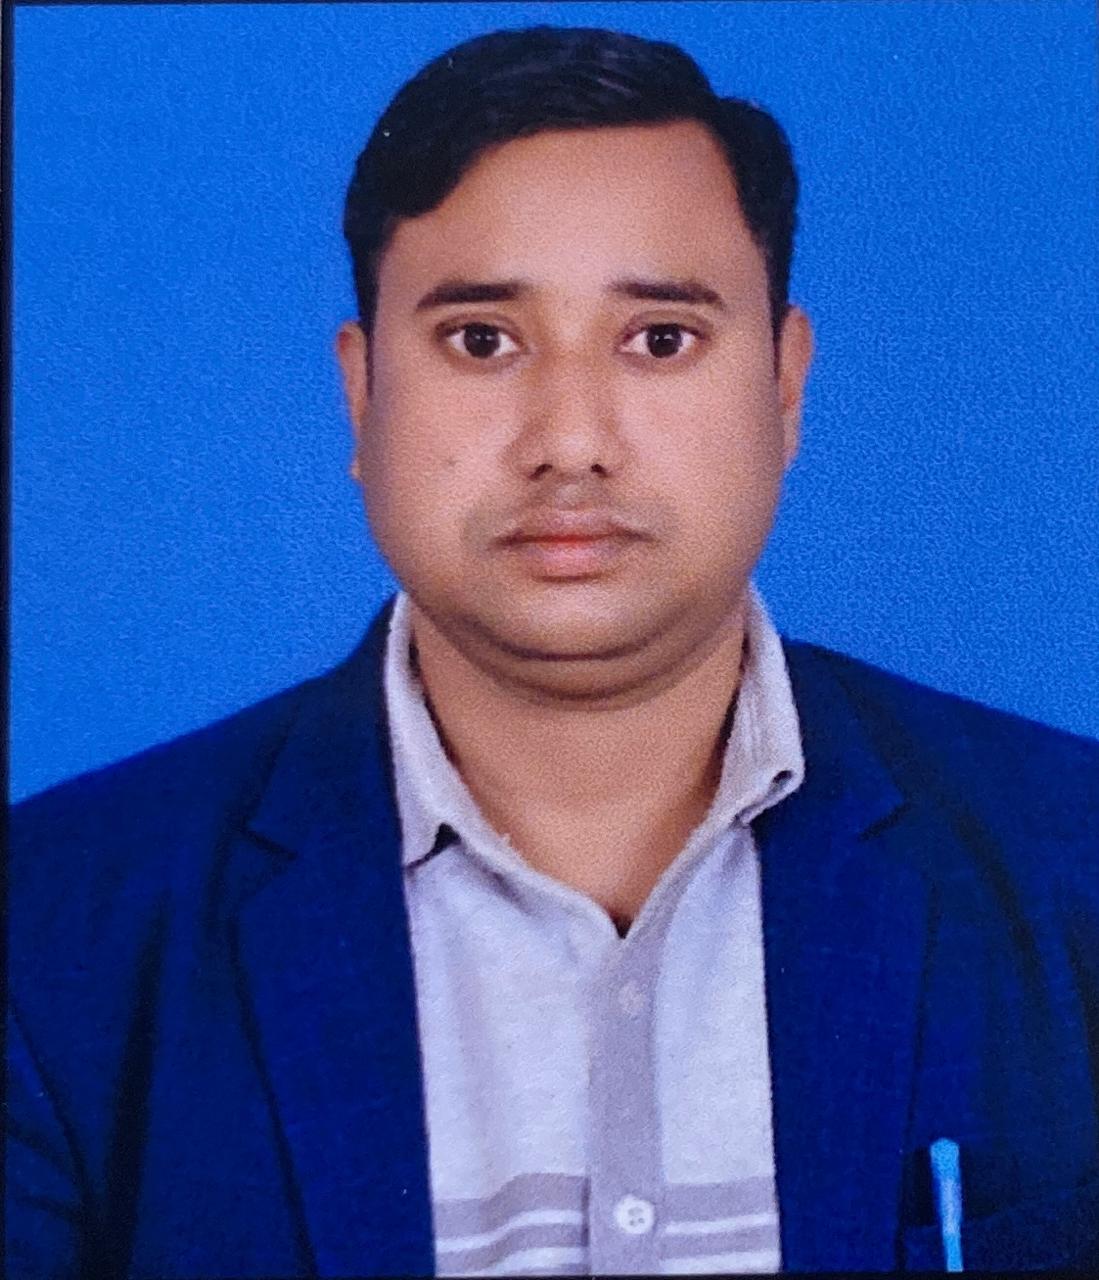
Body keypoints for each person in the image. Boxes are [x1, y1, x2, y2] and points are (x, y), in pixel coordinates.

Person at [8, 24, 1099, 1278]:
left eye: (660, 338)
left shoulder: (1068, 861)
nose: (570, 440)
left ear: (785, 386)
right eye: (482, 339)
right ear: (361, 394)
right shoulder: (51, 936)